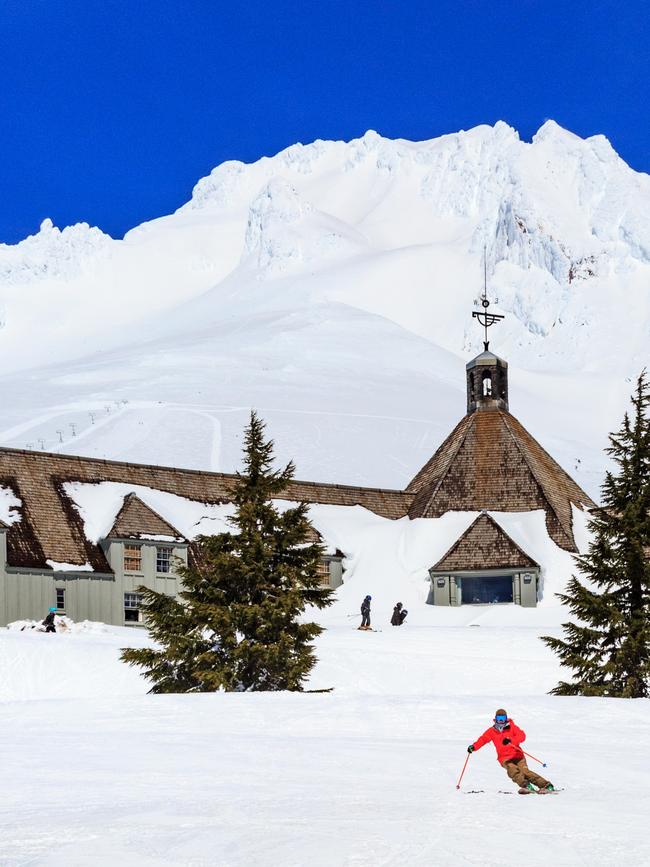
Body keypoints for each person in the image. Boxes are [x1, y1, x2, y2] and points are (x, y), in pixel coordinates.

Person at [467, 708, 554, 793]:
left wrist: (511, 740)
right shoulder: (491, 731)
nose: (501, 721)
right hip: (504, 758)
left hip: (518, 755)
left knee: (525, 772)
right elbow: (483, 740)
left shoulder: (512, 727)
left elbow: (522, 736)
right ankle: (526, 786)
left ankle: (546, 785)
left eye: (503, 719)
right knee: (512, 770)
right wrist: (473, 747)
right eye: (499, 719)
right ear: (495, 719)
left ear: (506, 718)